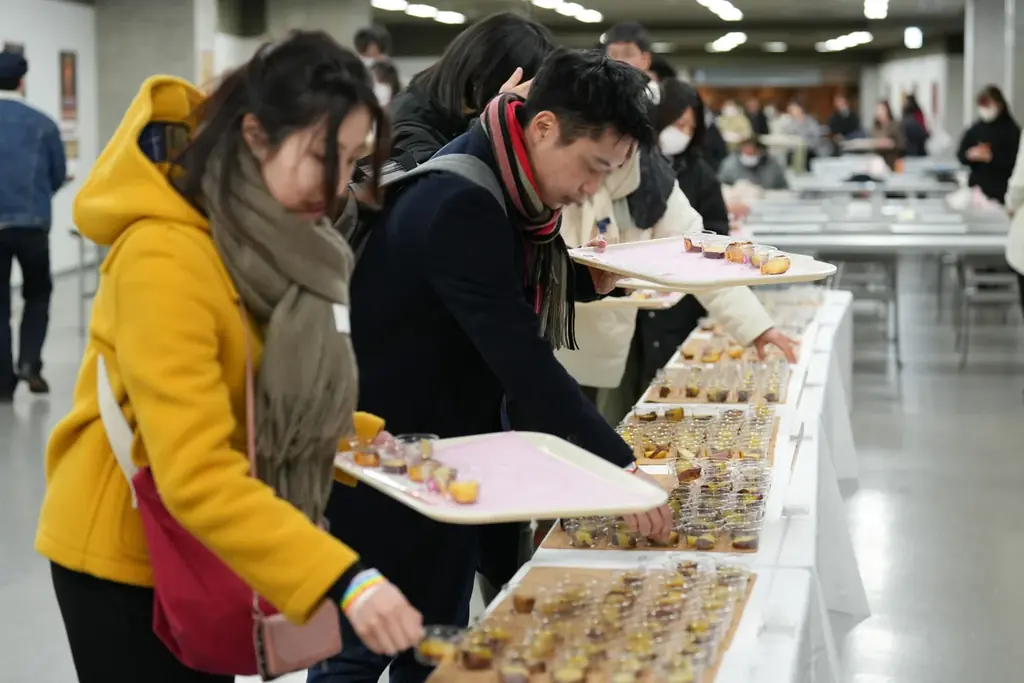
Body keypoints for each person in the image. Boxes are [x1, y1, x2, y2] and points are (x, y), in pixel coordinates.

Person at [35, 32, 424, 683]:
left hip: (205, 538)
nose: (337, 185)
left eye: (351, 160)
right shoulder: (165, 254)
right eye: (321, 156)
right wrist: (345, 577)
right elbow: (195, 470)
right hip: (128, 553)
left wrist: (359, 440)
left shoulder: (270, 240)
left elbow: (257, 386)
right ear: (254, 136)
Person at [317, 49, 674, 683]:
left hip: (451, 450)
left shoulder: (505, 180)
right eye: (593, 166)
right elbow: (522, 359)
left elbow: (509, 285)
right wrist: (619, 469)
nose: (592, 189)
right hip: (390, 458)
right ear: (544, 127)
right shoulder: (462, 200)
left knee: (434, 640)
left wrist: (590, 279)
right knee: (362, 648)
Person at [388, 12, 556, 163]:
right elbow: (439, 180)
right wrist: (495, 119)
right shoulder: (406, 123)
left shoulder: (466, 109)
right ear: (484, 76)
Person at [0, 51, 66, 401]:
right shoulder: (44, 124)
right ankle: (29, 362)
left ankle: (2, 381)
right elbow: (57, 175)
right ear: (21, 82)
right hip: (33, 226)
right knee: (37, 294)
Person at [958, 85, 1022, 202]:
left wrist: (991, 157)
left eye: (988, 104)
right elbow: (961, 154)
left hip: (1001, 191)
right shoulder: (976, 128)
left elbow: (1015, 161)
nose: (984, 109)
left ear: (999, 104)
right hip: (976, 190)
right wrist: (971, 155)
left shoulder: (1012, 130)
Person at [718, 137, 789, 190]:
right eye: (746, 152)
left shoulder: (772, 165)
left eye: (752, 152)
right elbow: (721, 185)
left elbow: (783, 187)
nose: (749, 154)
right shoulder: (730, 164)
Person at [780, 100, 822, 169]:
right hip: (793, 152)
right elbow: (785, 135)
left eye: (793, 109)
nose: (791, 111)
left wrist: (803, 143)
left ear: (800, 109)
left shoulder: (811, 121)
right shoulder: (790, 122)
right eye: (790, 110)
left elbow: (817, 138)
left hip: (808, 152)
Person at [872, 100, 905, 168]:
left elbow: (901, 144)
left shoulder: (894, 126)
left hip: (892, 160)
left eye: (881, 110)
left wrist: (890, 143)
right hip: (879, 160)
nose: (879, 112)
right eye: (877, 110)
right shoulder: (876, 127)